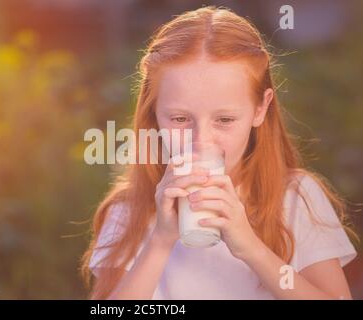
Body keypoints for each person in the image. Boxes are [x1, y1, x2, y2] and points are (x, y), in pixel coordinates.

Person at [80, 6, 357, 300]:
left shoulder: (295, 198)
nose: (201, 141)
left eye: (224, 120)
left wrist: (251, 248)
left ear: (260, 109)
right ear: (153, 112)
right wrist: (160, 242)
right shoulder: (128, 209)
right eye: (179, 119)